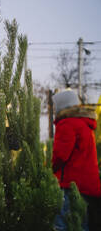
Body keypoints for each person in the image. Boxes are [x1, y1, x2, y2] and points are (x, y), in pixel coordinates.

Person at [52, 89, 101, 231]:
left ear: (63, 106)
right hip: (87, 185)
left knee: (62, 222)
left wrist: (49, 168)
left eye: (56, 106)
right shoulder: (84, 124)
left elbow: (60, 155)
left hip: (71, 184)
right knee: (81, 223)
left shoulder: (67, 124)